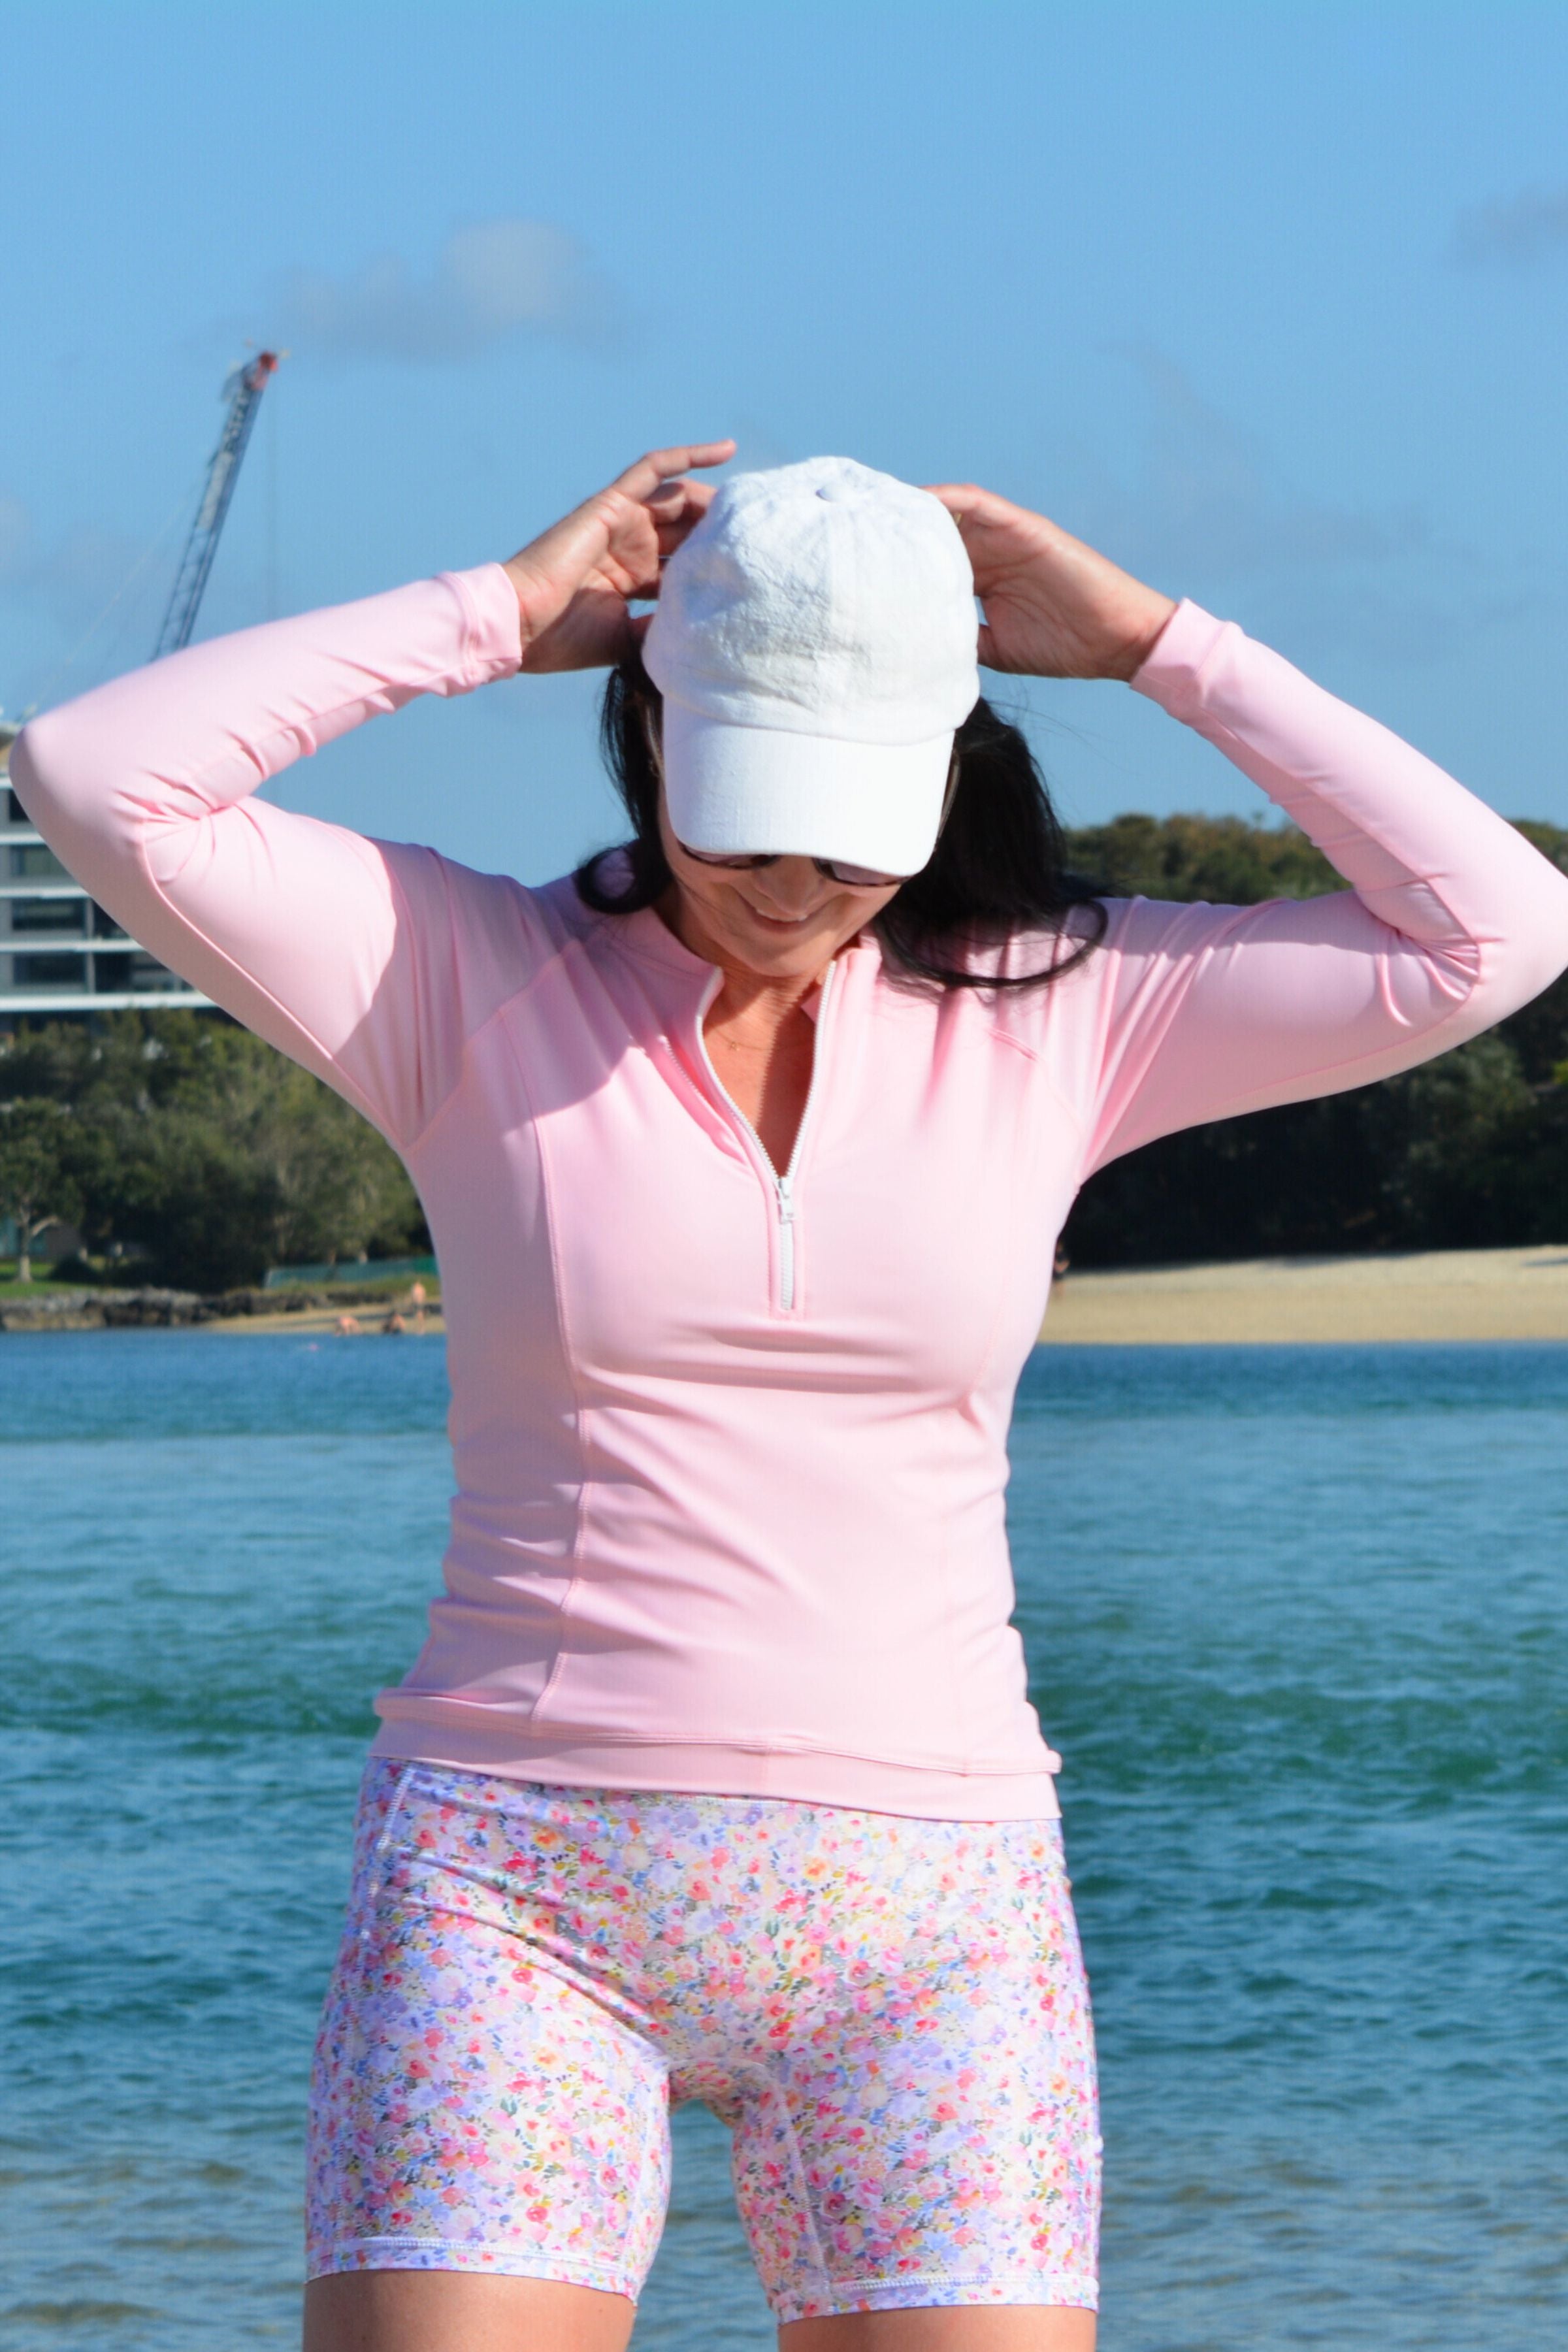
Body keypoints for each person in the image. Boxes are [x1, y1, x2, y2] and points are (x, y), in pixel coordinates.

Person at [14, 443, 1568, 2352]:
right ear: (654, 733)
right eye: (750, 818)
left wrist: (1168, 647)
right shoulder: (458, 973)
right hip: (519, 1895)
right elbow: (97, 774)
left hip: (934, 1927)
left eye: (851, 830)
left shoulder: (1066, 1009)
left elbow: (1499, 927)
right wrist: (489, 616)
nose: (794, 881)